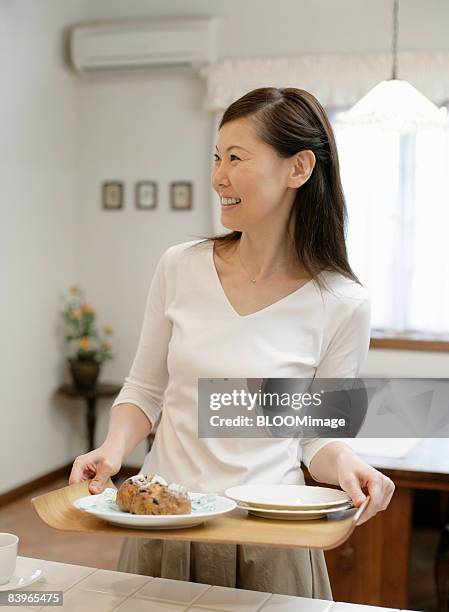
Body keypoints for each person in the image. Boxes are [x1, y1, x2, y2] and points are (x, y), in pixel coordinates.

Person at [69, 87, 395, 598]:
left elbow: (316, 438)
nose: (218, 176)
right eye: (217, 157)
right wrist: (112, 450)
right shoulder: (180, 266)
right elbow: (144, 390)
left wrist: (348, 462)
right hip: (165, 530)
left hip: (269, 534)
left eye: (237, 158)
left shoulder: (343, 302)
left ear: (299, 168)